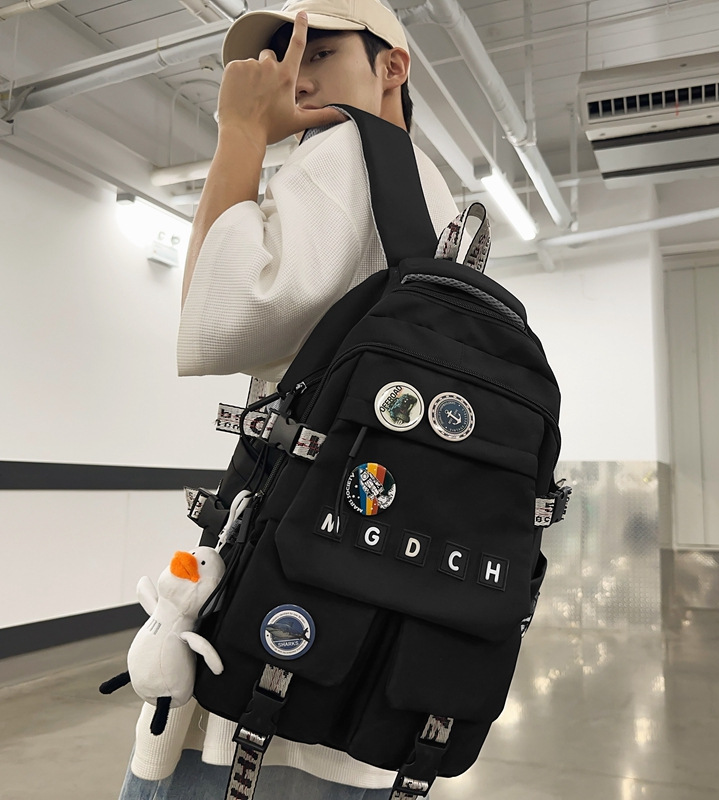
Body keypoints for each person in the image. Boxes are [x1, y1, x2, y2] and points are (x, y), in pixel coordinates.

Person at [118, 1, 457, 798]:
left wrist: (239, 133)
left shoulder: (342, 151)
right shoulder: (431, 194)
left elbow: (221, 319)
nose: (293, 77)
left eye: (318, 52)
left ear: (392, 66)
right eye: (282, 57)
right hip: (376, 604)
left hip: (283, 608)